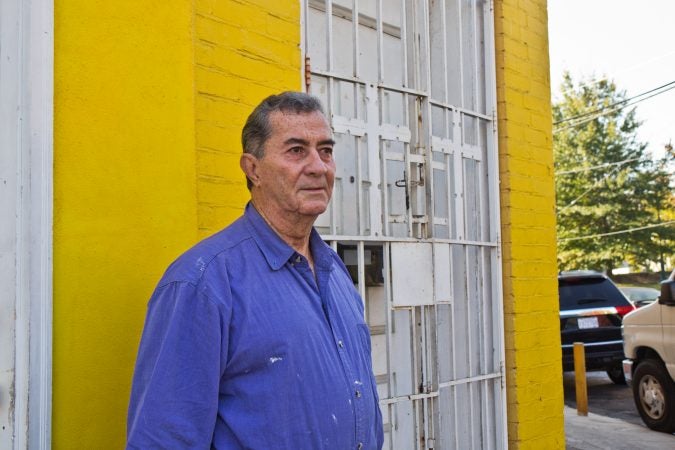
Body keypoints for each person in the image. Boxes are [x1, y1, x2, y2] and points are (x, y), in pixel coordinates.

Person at [127, 92, 384, 449]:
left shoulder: (334, 270)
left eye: (325, 151)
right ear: (253, 169)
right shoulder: (202, 284)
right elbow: (165, 438)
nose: (318, 167)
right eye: (296, 150)